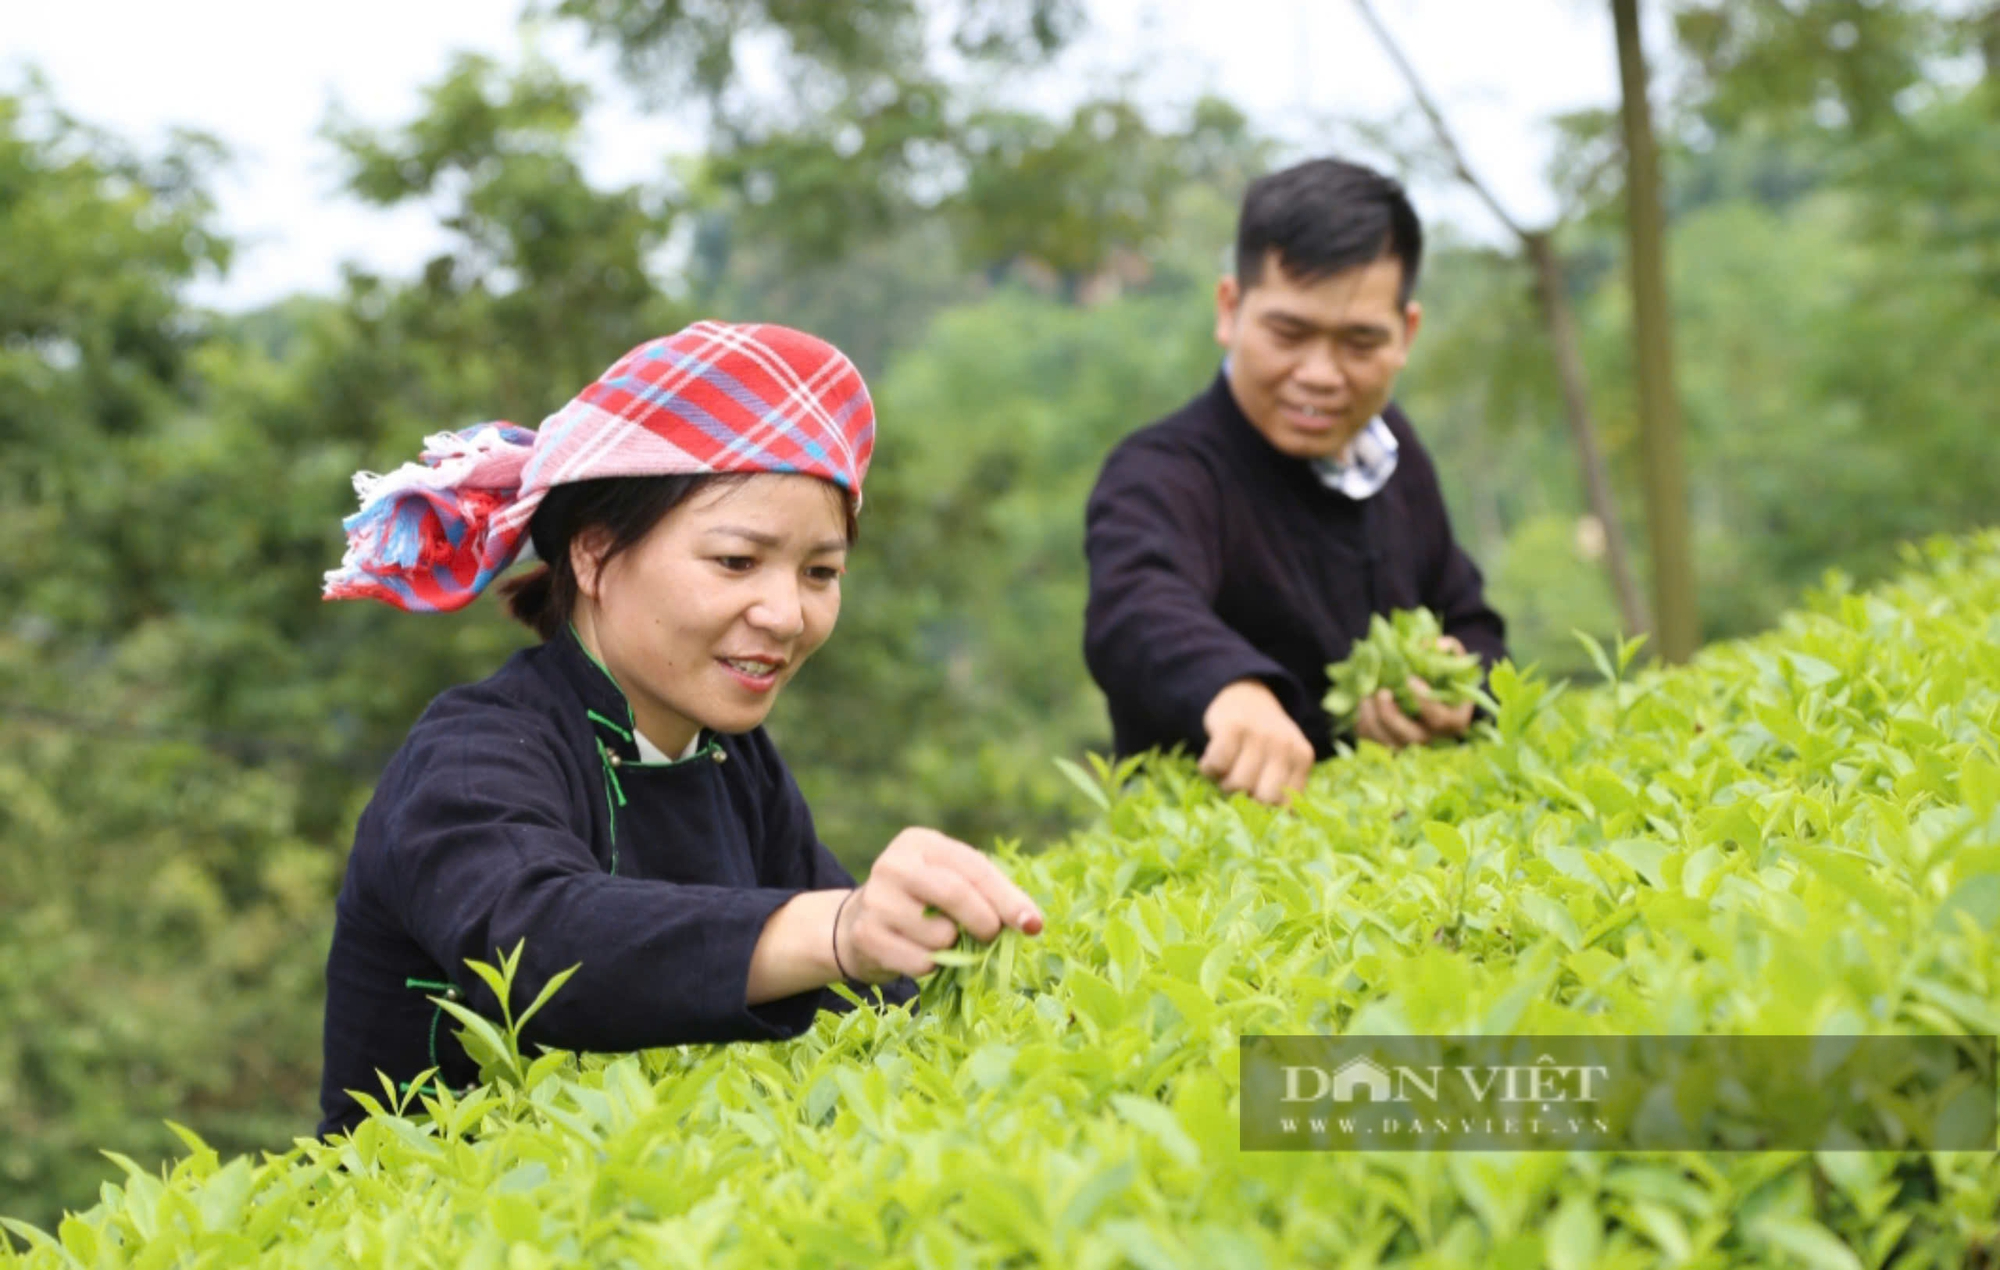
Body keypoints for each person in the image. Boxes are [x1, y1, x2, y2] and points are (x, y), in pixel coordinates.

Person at [317, 321, 1043, 1138]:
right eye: (737, 561)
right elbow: (539, 945)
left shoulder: (735, 760)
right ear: (592, 556)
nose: (785, 614)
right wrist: (837, 928)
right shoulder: (471, 754)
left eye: (821, 573)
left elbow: (872, 995)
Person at [1083, 158, 1508, 807]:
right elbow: (1136, 607)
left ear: (1407, 334)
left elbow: (1472, 618)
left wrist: (1459, 691)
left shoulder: (1396, 453)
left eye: (1360, 343)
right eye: (1289, 333)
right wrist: (1231, 689)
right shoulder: (1161, 473)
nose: (1320, 373)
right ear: (1231, 309)